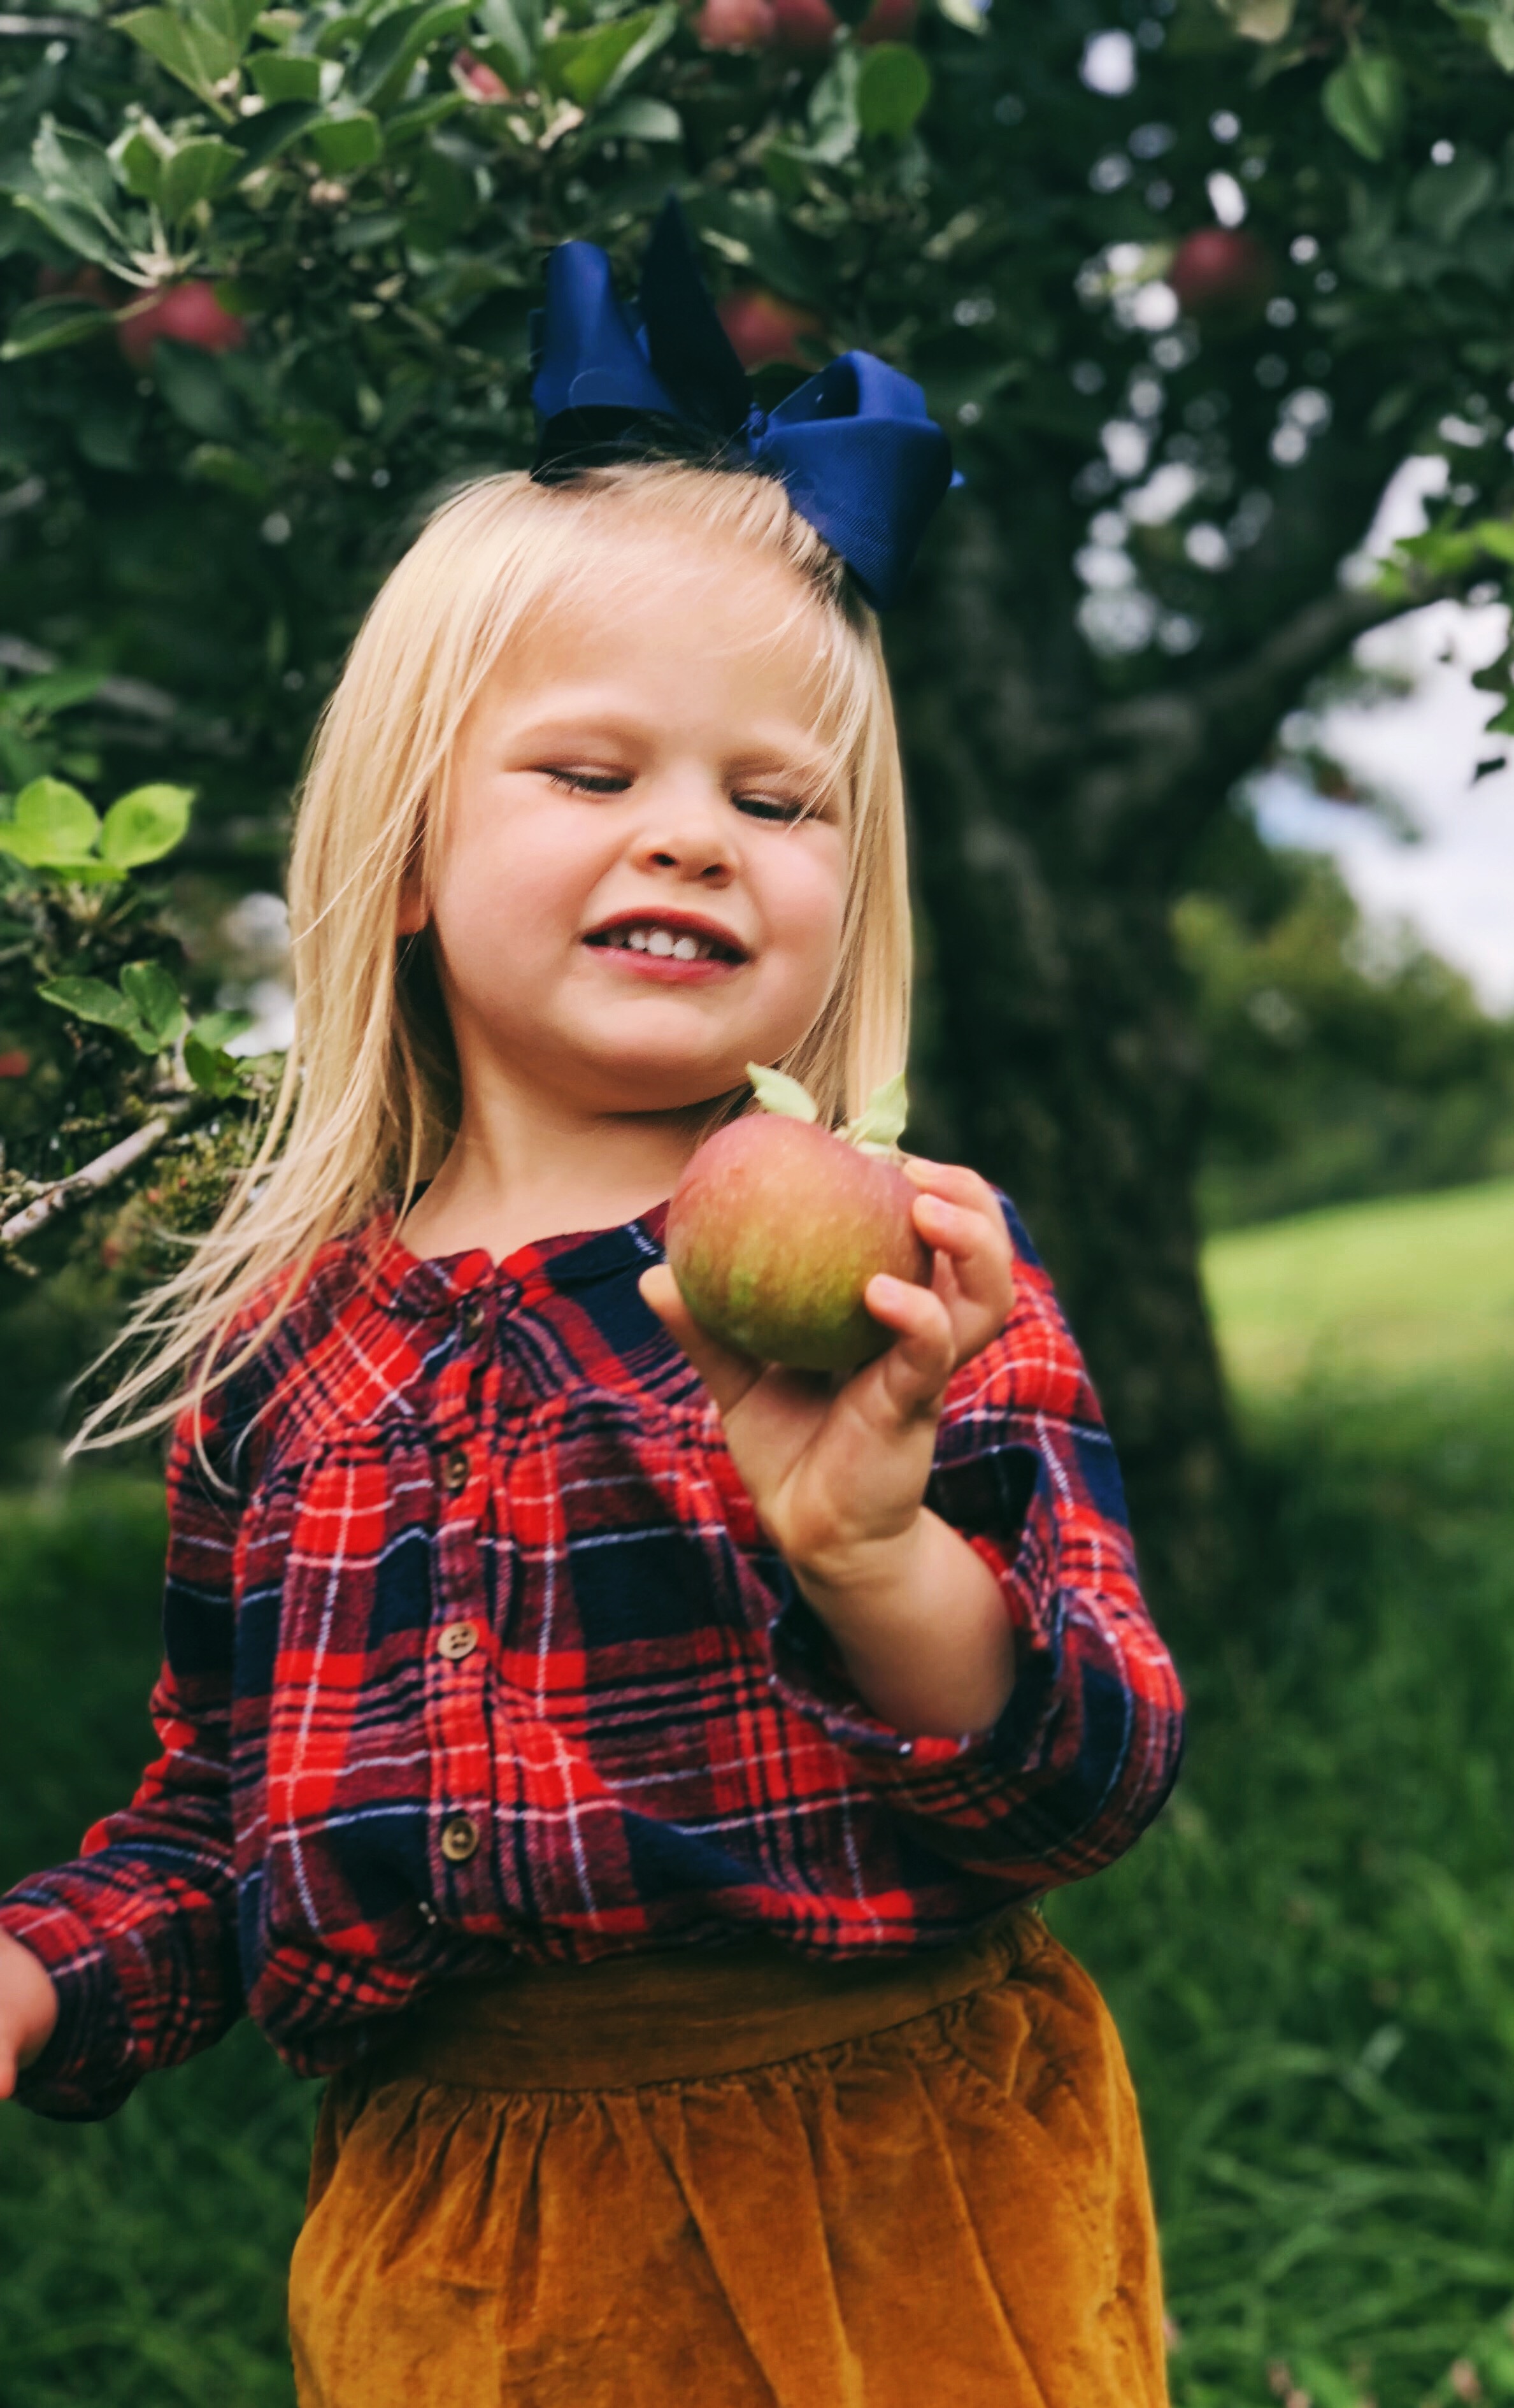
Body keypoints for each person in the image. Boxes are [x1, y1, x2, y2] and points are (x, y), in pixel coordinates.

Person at [0, 204, 1185, 2407]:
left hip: (887, 2196)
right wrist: (42, 1977)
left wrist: (868, 1548)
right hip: (463, 2258)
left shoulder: (910, 1277)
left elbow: (1088, 1774)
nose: (699, 840)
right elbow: (215, 1825)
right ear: (412, 854)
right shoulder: (286, 1356)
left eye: (776, 799)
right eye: (593, 773)